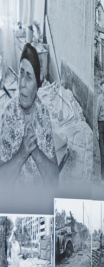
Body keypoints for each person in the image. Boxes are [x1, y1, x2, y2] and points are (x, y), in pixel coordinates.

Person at [0, 43, 59, 186]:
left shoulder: (43, 114)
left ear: (37, 85)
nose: (22, 83)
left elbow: (54, 180)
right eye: (21, 73)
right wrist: (22, 153)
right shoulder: (8, 114)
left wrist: (35, 151)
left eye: (29, 76)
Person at [96, 80, 104, 179]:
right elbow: (96, 115)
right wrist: (96, 131)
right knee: (102, 150)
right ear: (101, 88)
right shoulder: (99, 99)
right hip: (100, 125)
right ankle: (102, 173)